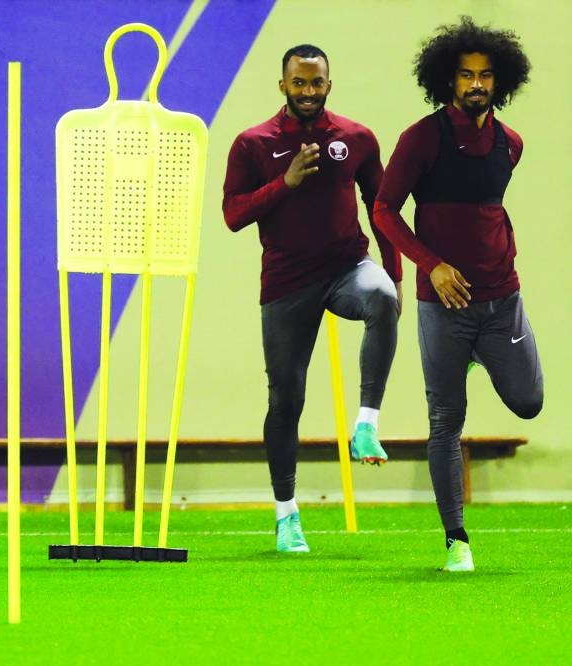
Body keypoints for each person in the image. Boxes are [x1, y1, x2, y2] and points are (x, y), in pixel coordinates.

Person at [374, 17, 541, 572]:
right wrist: (432, 265)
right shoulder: (421, 139)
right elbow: (384, 209)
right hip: (443, 305)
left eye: (485, 75)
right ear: (448, 79)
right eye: (466, 75)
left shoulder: (511, 144)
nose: (476, 84)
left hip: (502, 299)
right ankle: (456, 540)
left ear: (500, 81)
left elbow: (488, 213)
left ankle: (481, 355)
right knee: (446, 418)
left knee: (529, 401)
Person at [222, 44, 402, 553]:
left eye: (316, 82)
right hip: (286, 281)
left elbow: (382, 206)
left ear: (329, 84)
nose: (307, 91)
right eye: (298, 82)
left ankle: (365, 426)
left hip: (347, 267)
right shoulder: (253, 143)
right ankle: (287, 516)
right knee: (286, 400)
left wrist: (395, 275)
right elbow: (233, 215)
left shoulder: (356, 138)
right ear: (282, 85)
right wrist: (285, 183)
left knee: (381, 297)